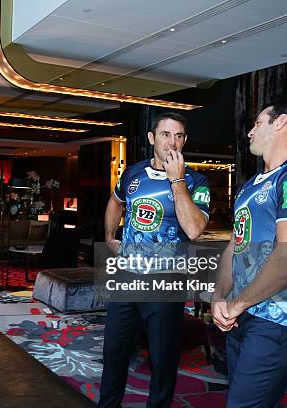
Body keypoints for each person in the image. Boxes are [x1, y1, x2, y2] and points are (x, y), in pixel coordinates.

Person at [211, 98, 287, 407]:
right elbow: (234, 246)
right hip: (243, 315)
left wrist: (237, 304)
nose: (250, 132)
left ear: (280, 123)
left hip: (279, 319)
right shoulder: (250, 185)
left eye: (257, 123)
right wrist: (219, 297)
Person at [100, 112, 210, 407]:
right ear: (152, 138)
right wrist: (111, 237)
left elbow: (195, 229)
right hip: (127, 277)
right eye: (165, 135)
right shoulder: (133, 173)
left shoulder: (197, 181)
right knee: (113, 352)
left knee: (162, 360)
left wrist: (177, 180)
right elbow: (115, 201)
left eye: (178, 136)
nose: (172, 142)